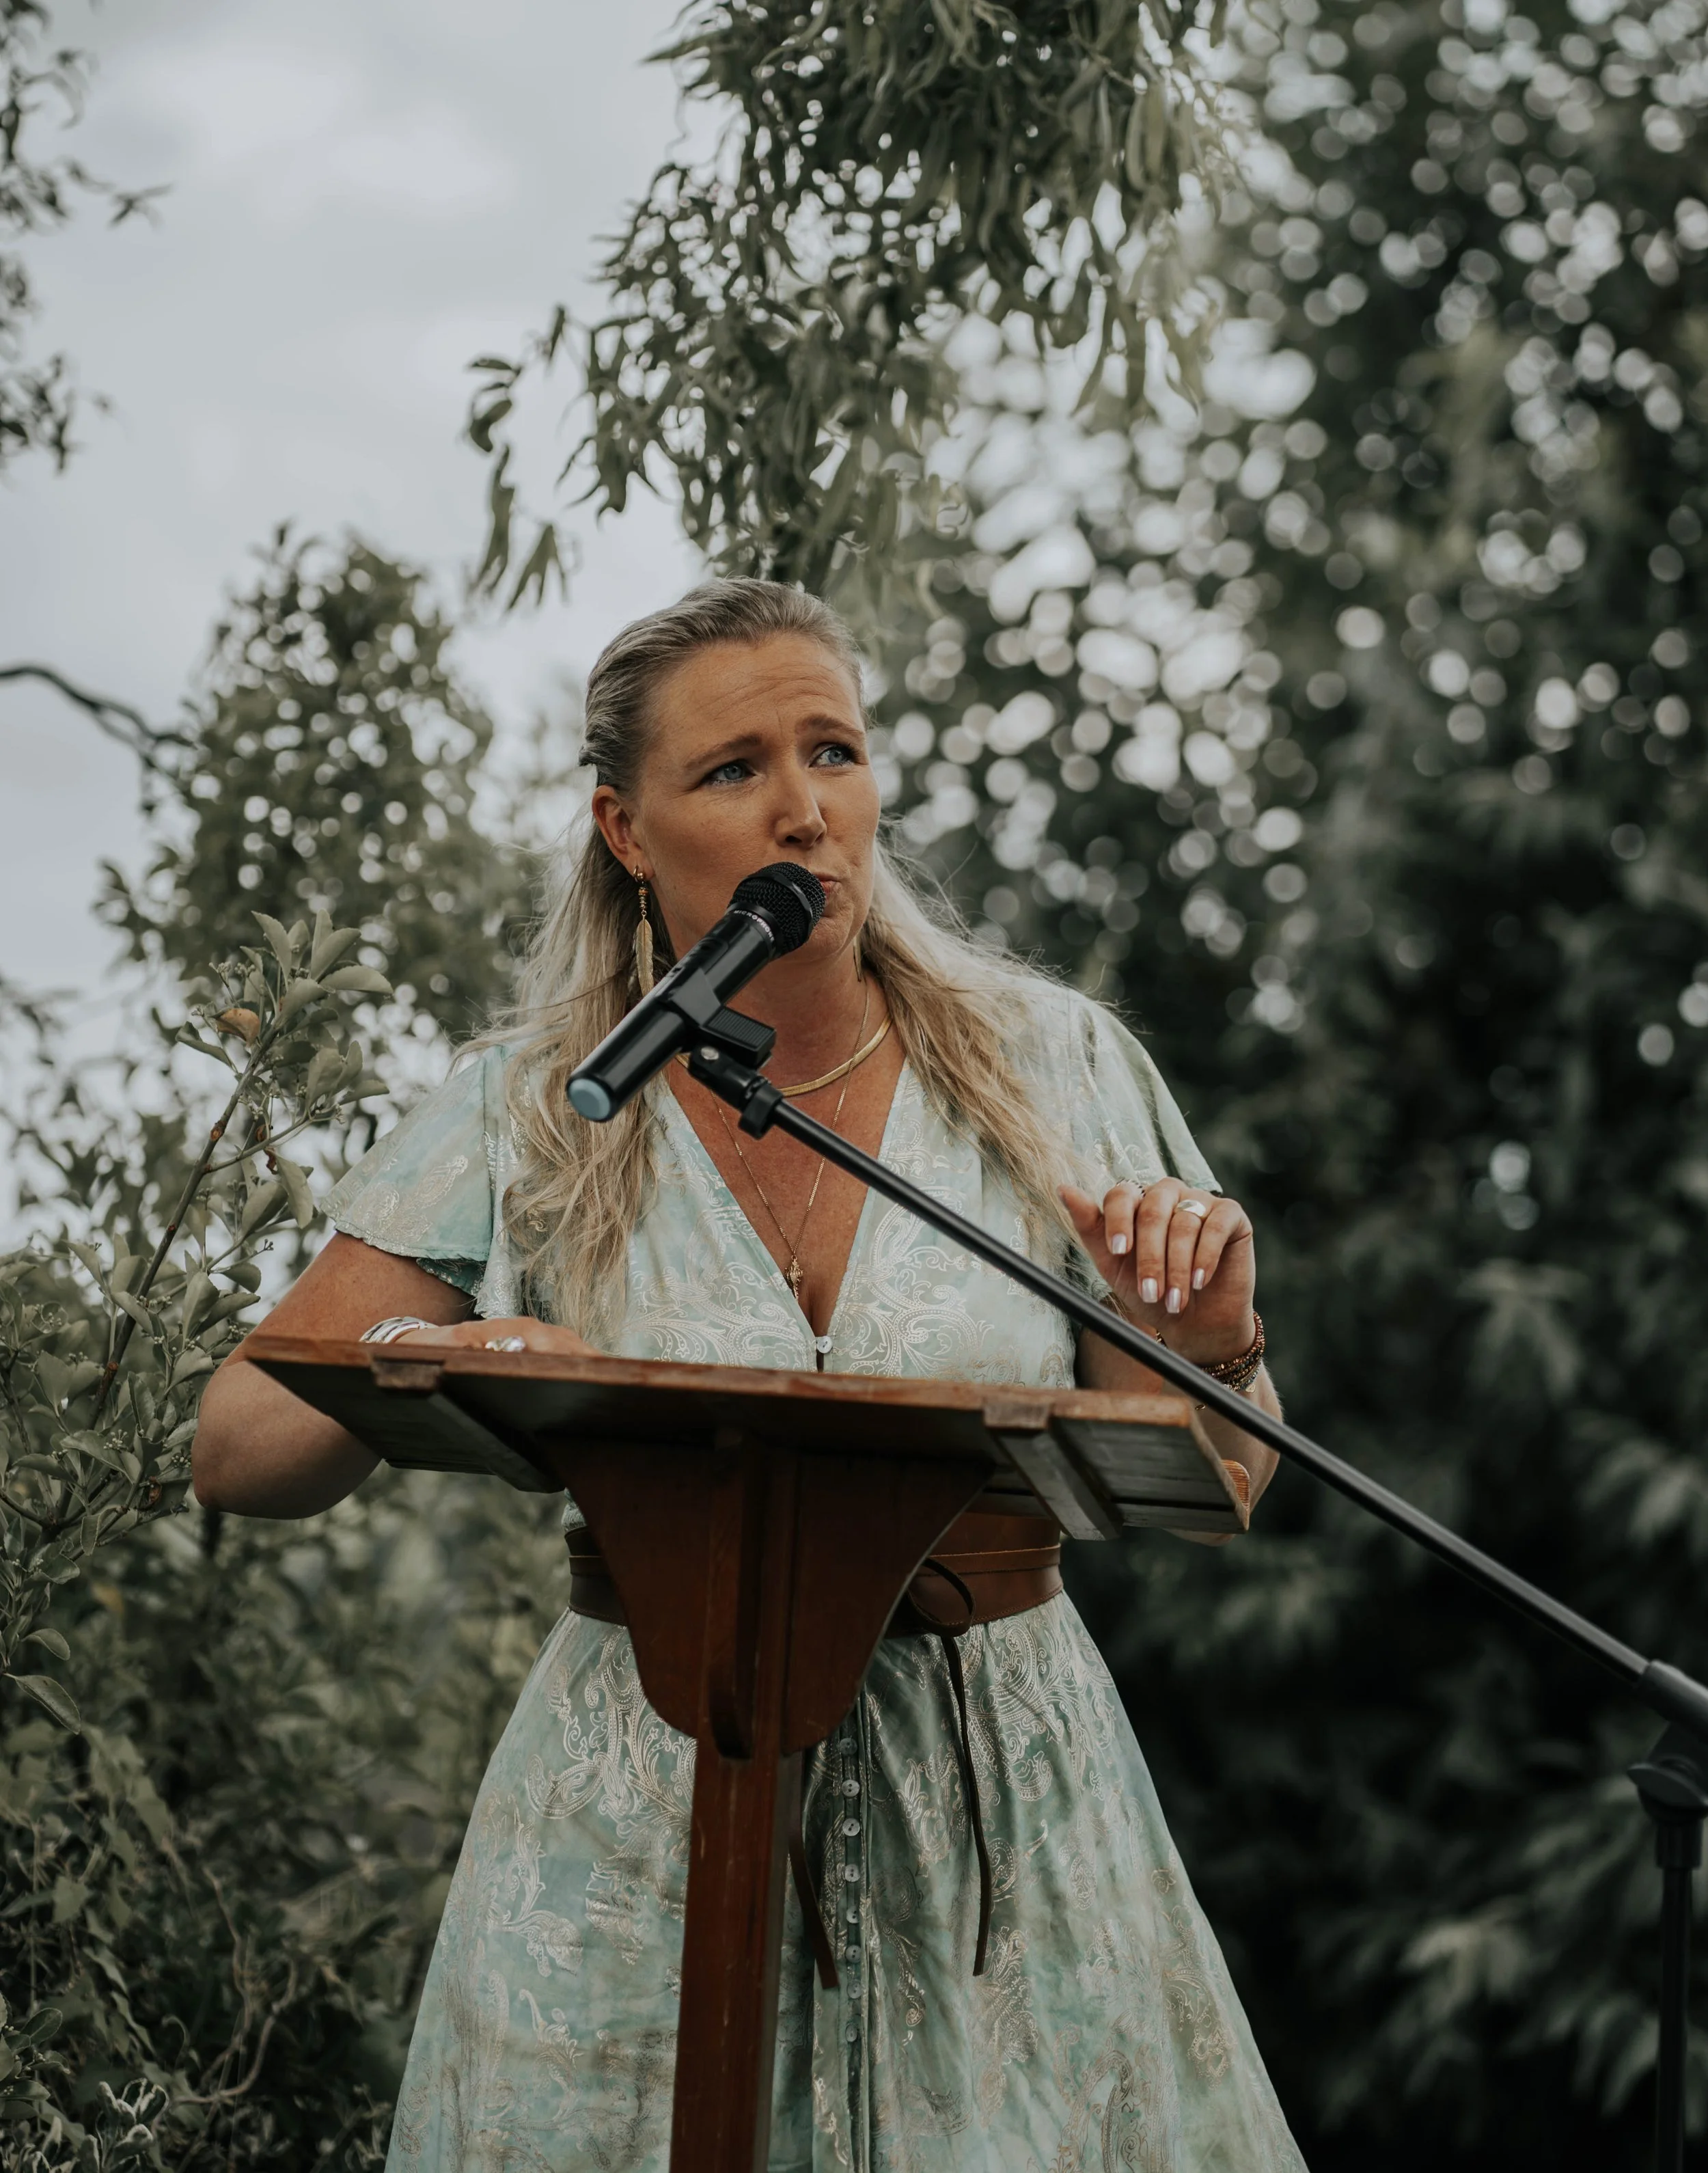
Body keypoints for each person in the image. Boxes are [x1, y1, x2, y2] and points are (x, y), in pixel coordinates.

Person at [195, 579, 1306, 2172]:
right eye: (733, 772)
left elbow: (1227, 1484)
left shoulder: (1050, 1066)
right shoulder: (536, 1102)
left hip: (1000, 1815)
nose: (804, 812)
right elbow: (233, 1449)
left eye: (834, 753)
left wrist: (1204, 1347)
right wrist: (436, 1363)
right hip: (644, 1796)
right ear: (624, 829)